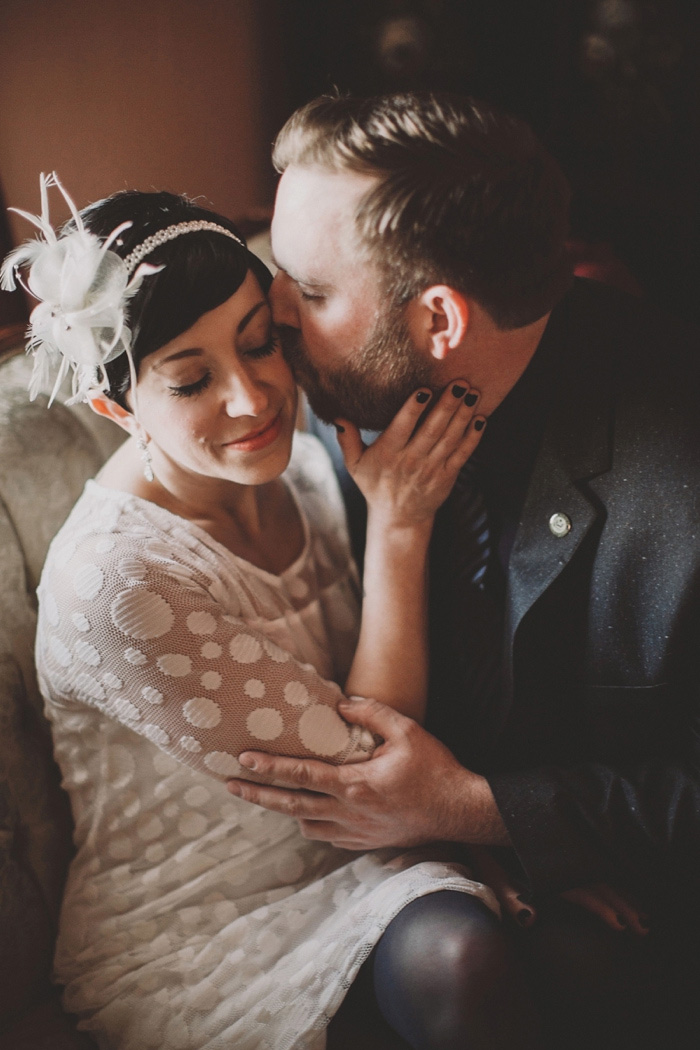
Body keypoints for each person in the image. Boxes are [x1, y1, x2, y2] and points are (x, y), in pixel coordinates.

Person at [1, 173, 532, 1050]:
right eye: (190, 379)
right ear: (114, 405)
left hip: (369, 862)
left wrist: (498, 853)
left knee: (490, 959)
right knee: (463, 962)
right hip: (197, 934)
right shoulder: (118, 587)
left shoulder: (307, 461)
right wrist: (399, 530)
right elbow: (373, 769)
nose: (251, 399)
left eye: (260, 345)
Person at [223, 93, 700, 1049]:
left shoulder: (677, 481)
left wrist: (475, 812)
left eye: (310, 293)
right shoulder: (329, 390)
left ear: (439, 319)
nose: (272, 320)